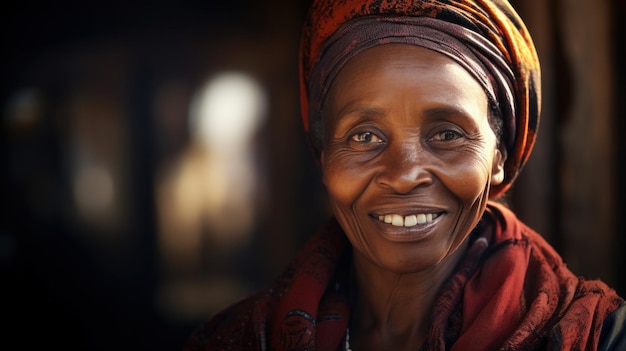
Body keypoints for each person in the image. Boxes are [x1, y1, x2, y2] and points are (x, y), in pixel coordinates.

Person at [185, 0, 625, 350]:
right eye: (364, 137)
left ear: (500, 157)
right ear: (323, 158)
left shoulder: (595, 336)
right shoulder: (236, 339)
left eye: (448, 133)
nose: (404, 174)